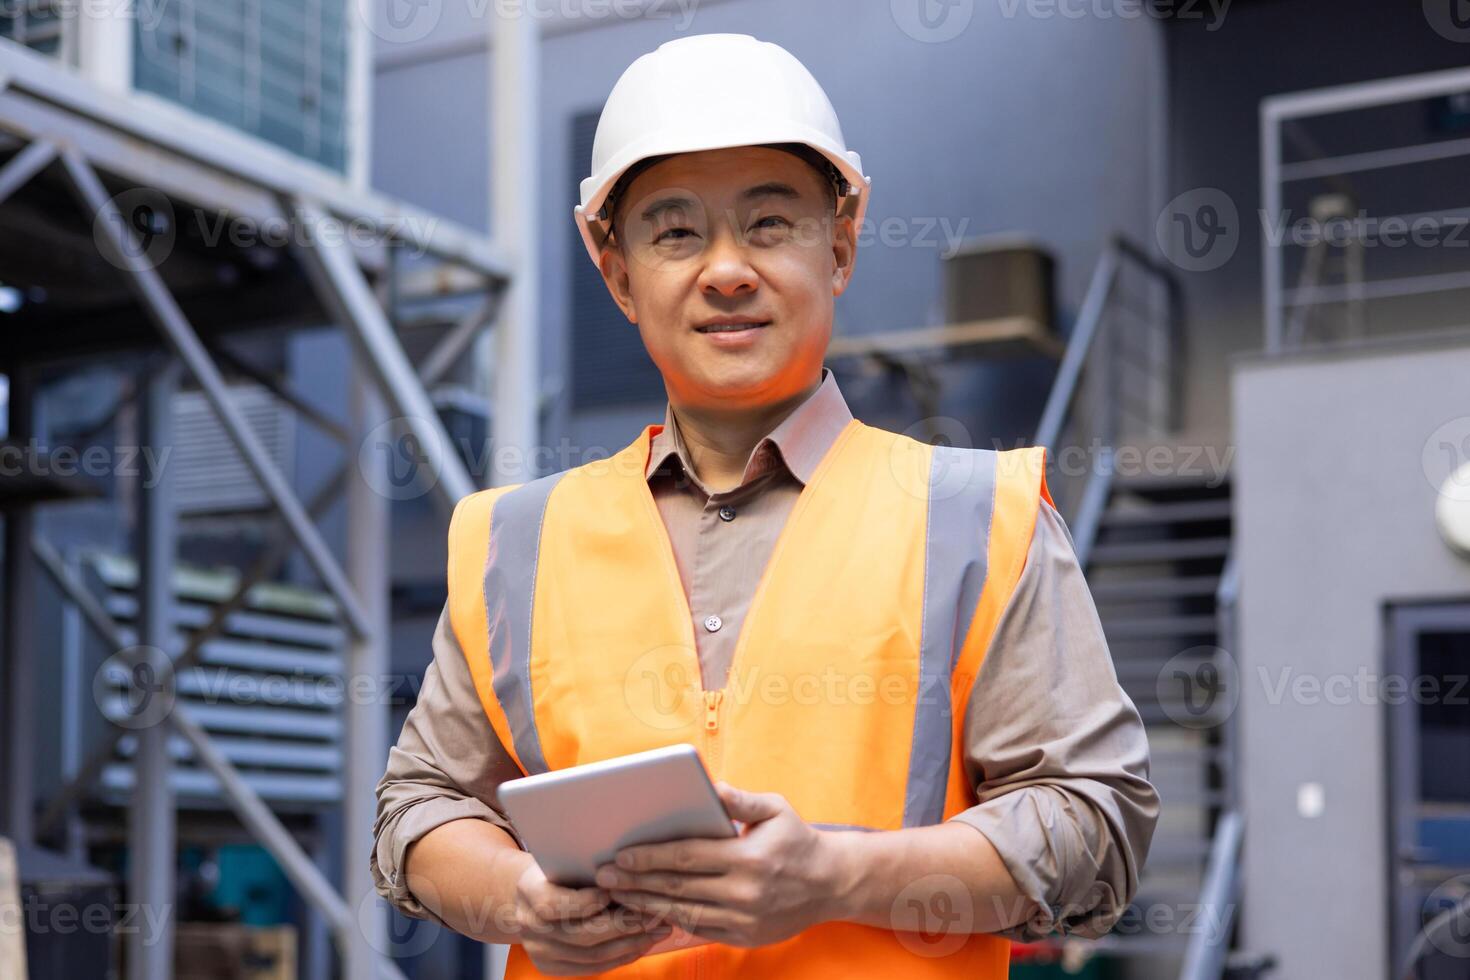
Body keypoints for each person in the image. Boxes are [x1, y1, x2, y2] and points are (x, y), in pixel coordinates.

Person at [373, 32, 1157, 978]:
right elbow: (418, 809)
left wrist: (836, 875)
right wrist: (520, 900)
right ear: (620, 276)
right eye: (674, 232)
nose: (727, 269)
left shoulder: (977, 520)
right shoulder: (514, 542)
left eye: (771, 224)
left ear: (842, 247)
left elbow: (1098, 830)